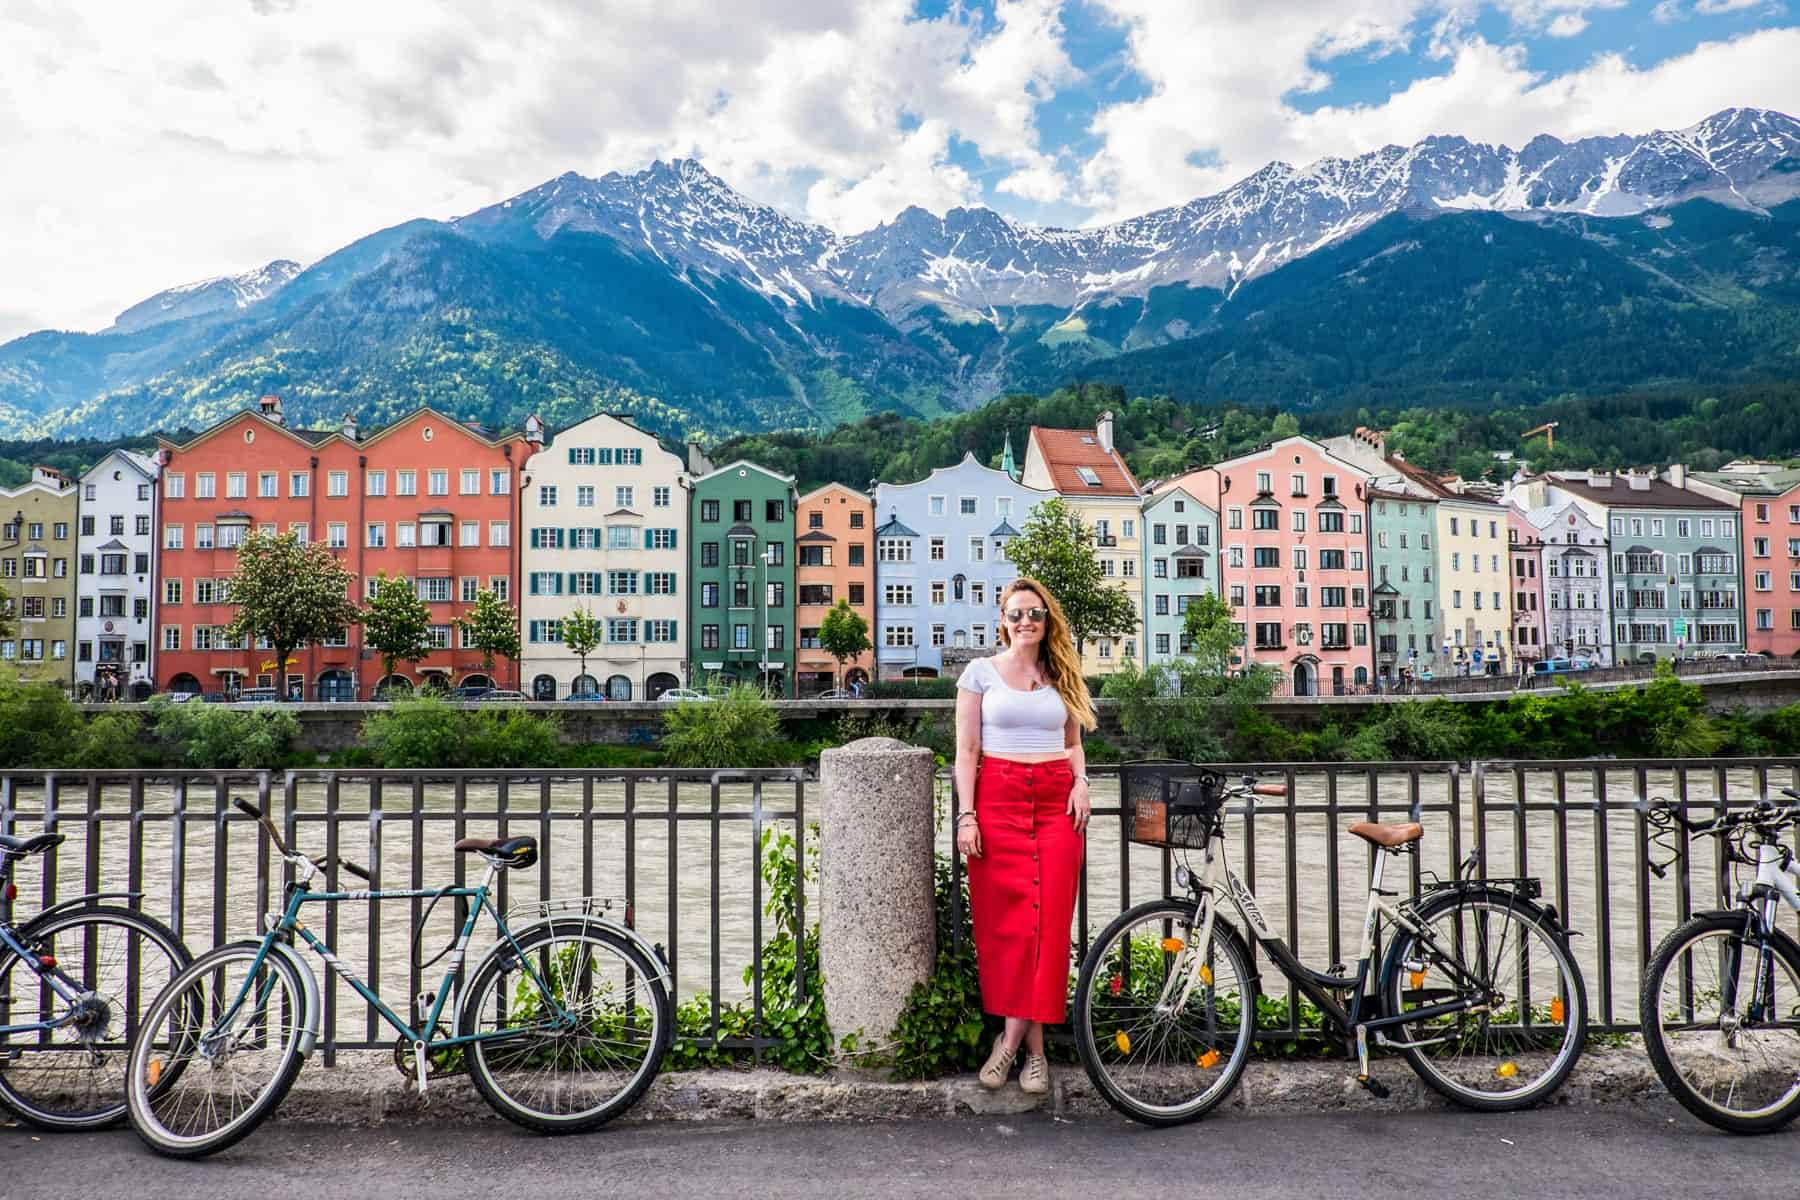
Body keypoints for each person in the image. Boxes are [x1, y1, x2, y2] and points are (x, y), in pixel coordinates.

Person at [953, 576, 1098, 1095]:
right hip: (998, 798)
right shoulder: (978, 674)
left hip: (1056, 801)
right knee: (1010, 928)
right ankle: (1034, 1053)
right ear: (1003, 620)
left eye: (1033, 613)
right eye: (1016, 614)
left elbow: (1073, 742)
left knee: (1048, 926)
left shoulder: (1062, 673)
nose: (1025, 621)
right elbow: (966, 752)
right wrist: (966, 816)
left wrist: (1081, 783)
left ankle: (1009, 1044)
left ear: (1046, 619)